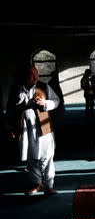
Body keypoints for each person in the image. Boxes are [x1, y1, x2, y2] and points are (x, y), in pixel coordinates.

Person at [6, 64, 60, 195]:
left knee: (47, 156)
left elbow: (56, 101)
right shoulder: (15, 89)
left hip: (43, 129)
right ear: (24, 76)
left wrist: (45, 103)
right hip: (25, 129)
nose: (36, 76)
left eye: (36, 73)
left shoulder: (44, 86)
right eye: (32, 74)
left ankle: (49, 185)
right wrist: (10, 128)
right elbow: (10, 110)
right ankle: (37, 183)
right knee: (31, 157)